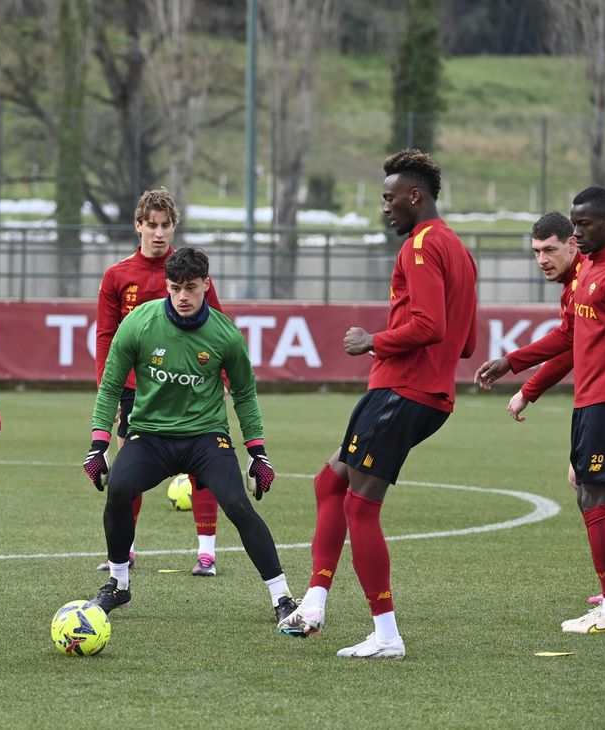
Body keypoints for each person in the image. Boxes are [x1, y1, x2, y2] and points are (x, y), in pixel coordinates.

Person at [276, 149, 478, 659]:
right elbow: (467, 341)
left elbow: (430, 327)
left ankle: (386, 635)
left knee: (360, 507)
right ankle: (314, 604)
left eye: (390, 199)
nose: (385, 207)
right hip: (417, 393)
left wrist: (374, 340)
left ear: (416, 195)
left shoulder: (420, 246)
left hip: (401, 391)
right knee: (331, 481)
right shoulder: (459, 248)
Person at [82, 245, 301, 628]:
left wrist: (258, 453)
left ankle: (282, 596)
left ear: (206, 285)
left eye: (191, 288)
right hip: (150, 435)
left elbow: (246, 395)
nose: (182, 297)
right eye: (175, 288)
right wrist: (98, 445)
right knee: (119, 487)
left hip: (206, 438)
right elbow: (111, 386)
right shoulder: (138, 324)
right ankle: (118, 583)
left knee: (237, 504)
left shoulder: (225, 335)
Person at [476, 187, 605, 635]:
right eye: (574, 226)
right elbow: (571, 337)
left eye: (583, 226)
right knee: (589, 490)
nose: (577, 234)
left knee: (595, 492)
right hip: (589, 400)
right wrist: (512, 361)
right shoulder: (590, 270)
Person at [506, 211, 605, 603]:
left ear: (572, 245)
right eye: (536, 252)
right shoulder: (583, 277)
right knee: (586, 482)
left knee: (591, 485)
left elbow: (585, 345)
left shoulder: (603, 273)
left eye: (549, 250)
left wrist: (527, 386)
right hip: (593, 396)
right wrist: (515, 367)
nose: (542, 259)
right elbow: (579, 339)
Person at [95, 187, 224, 576]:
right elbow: (107, 336)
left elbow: (219, 325)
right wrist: (109, 389)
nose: (159, 232)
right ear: (138, 226)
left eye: (166, 225)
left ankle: (207, 553)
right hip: (138, 389)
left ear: (174, 226)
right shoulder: (118, 275)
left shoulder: (189, 271)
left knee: (202, 466)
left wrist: (222, 375)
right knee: (127, 471)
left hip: (191, 384)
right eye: (151, 225)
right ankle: (126, 549)